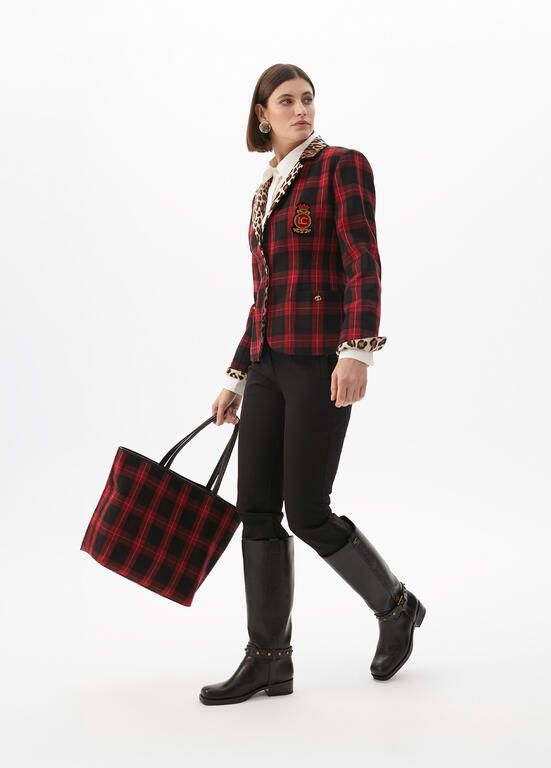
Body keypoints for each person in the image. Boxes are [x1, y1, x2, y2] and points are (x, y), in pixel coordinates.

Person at [200, 64, 426, 706]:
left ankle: (396, 607)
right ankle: (268, 660)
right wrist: (237, 375)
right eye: (286, 101)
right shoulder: (264, 189)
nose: (301, 110)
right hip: (268, 365)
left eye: (307, 99)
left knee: (306, 511)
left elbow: (362, 260)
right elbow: (264, 297)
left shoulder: (341, 166)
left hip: (320, 362)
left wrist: (357, 351)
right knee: (256, 511)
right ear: (262, 114)